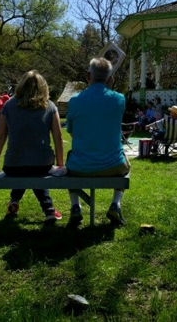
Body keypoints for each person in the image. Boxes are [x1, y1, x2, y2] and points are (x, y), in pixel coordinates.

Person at [0, 70, 64, 223]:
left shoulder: (9, 105)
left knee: (23, 169)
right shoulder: (49, 106)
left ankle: (14, 200)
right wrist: (60, 164)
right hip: (43, 164)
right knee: (34, 171)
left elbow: (0, 137)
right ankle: (48, 209)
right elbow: (58, 137)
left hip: (13, 164)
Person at [65, 57, 130, 226]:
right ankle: (116, 204)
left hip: (80, 167)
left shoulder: (74, 101)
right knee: (126, 165)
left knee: (69, 161)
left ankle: (75, 207)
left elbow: (71, 133)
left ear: (88, 76)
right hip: (113, 167)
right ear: (110, 79)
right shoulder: (119, 99)